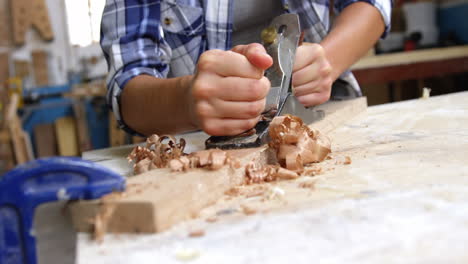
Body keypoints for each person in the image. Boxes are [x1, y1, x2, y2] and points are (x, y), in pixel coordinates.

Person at [101, 0, 391, 137]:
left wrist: (328, 59)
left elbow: (373, 5)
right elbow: (127, 87)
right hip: (194, 136)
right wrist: (186, 100)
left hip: (325, 114)